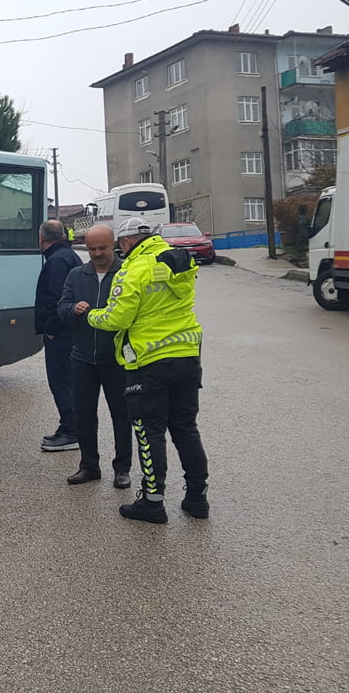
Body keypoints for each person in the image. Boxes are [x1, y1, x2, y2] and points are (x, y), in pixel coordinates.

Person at [87, 217, 209, 524]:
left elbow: (117, 318)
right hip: (186, 355)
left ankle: (152, 503)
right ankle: (197, 498)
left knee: (148, 431)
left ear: (127, 242)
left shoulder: (134, 269)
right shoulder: (177, 260)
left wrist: (91, 316)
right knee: (185, 428)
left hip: (148, 362)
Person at [57, 224, 132, 488]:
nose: (97, 253)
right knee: (84, 415)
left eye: (102, 248)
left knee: (121, 414)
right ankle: (89, 466)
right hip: (82, 357)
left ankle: (122, 469)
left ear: (113, 245)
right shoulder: (76, 275)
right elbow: (62, 307)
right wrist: (73, 309)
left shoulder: (127, 274)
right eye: (91, 249)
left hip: (117, 359)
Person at [35, 219, 82, 452]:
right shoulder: (70, 256)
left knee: (61, 383)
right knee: (68, 382)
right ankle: (68, 426)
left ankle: (71, 432)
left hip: (61, 333)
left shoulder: (55, 261)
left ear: (41, 238)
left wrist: (51, 330)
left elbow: (55, 297)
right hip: (72, 330)